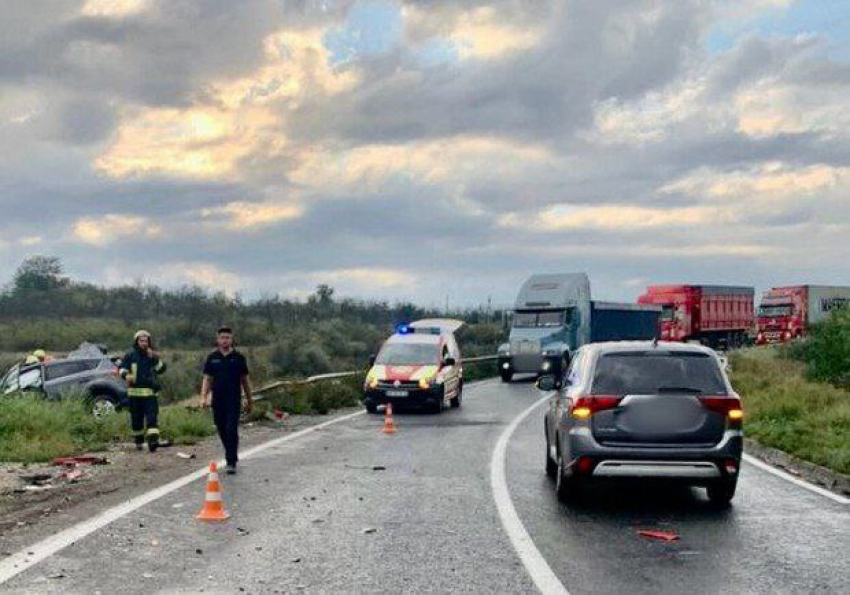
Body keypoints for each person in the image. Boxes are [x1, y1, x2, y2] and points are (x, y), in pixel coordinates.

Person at [201, 326, 253, 475]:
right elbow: (207, 378)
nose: (225, 340)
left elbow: (245, 380)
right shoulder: (212, 358)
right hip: (217, 400)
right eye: (222, 337)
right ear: (217, 339)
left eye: (228, 337)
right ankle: (230, 452)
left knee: (231, 429)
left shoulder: (238, 358)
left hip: (233, 399)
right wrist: (203, 397)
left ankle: (231, 461)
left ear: (232, 339)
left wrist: (250, 400)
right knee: (222, 428)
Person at [119, 330, 167, 452]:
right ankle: (139, 441)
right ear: (137, 342)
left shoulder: (152, 356)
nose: (144, 343)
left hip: (150, 393)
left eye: (146, 341)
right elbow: (122, 368)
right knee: (136, 420)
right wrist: (126, 375)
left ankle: (153, 441)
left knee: (152, 418)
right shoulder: (130, 355)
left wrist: (155, 358)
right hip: (134, 394)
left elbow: (161, 369)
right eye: (142, 341)